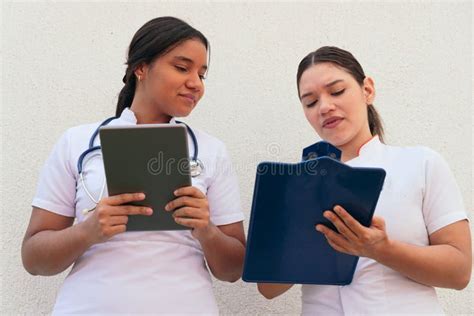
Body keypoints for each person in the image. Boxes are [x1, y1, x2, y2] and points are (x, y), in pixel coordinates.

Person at [21, 16, 246, 315]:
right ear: (140, 68)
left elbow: (233, 270)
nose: (195, 83)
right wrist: (88, 231)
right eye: (182, 68)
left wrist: (206, 230)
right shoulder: (76, 142)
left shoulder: (212, 151)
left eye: (202, 74)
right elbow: (33, 259)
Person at [257, 46, 471, 314]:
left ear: (367, 90)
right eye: (310, 102)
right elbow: (267, 288)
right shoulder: (296, 185)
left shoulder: (421, 164)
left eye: (336, 91)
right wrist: (299, 233)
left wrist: (382, 249)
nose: (325, 107)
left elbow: (460, 271)